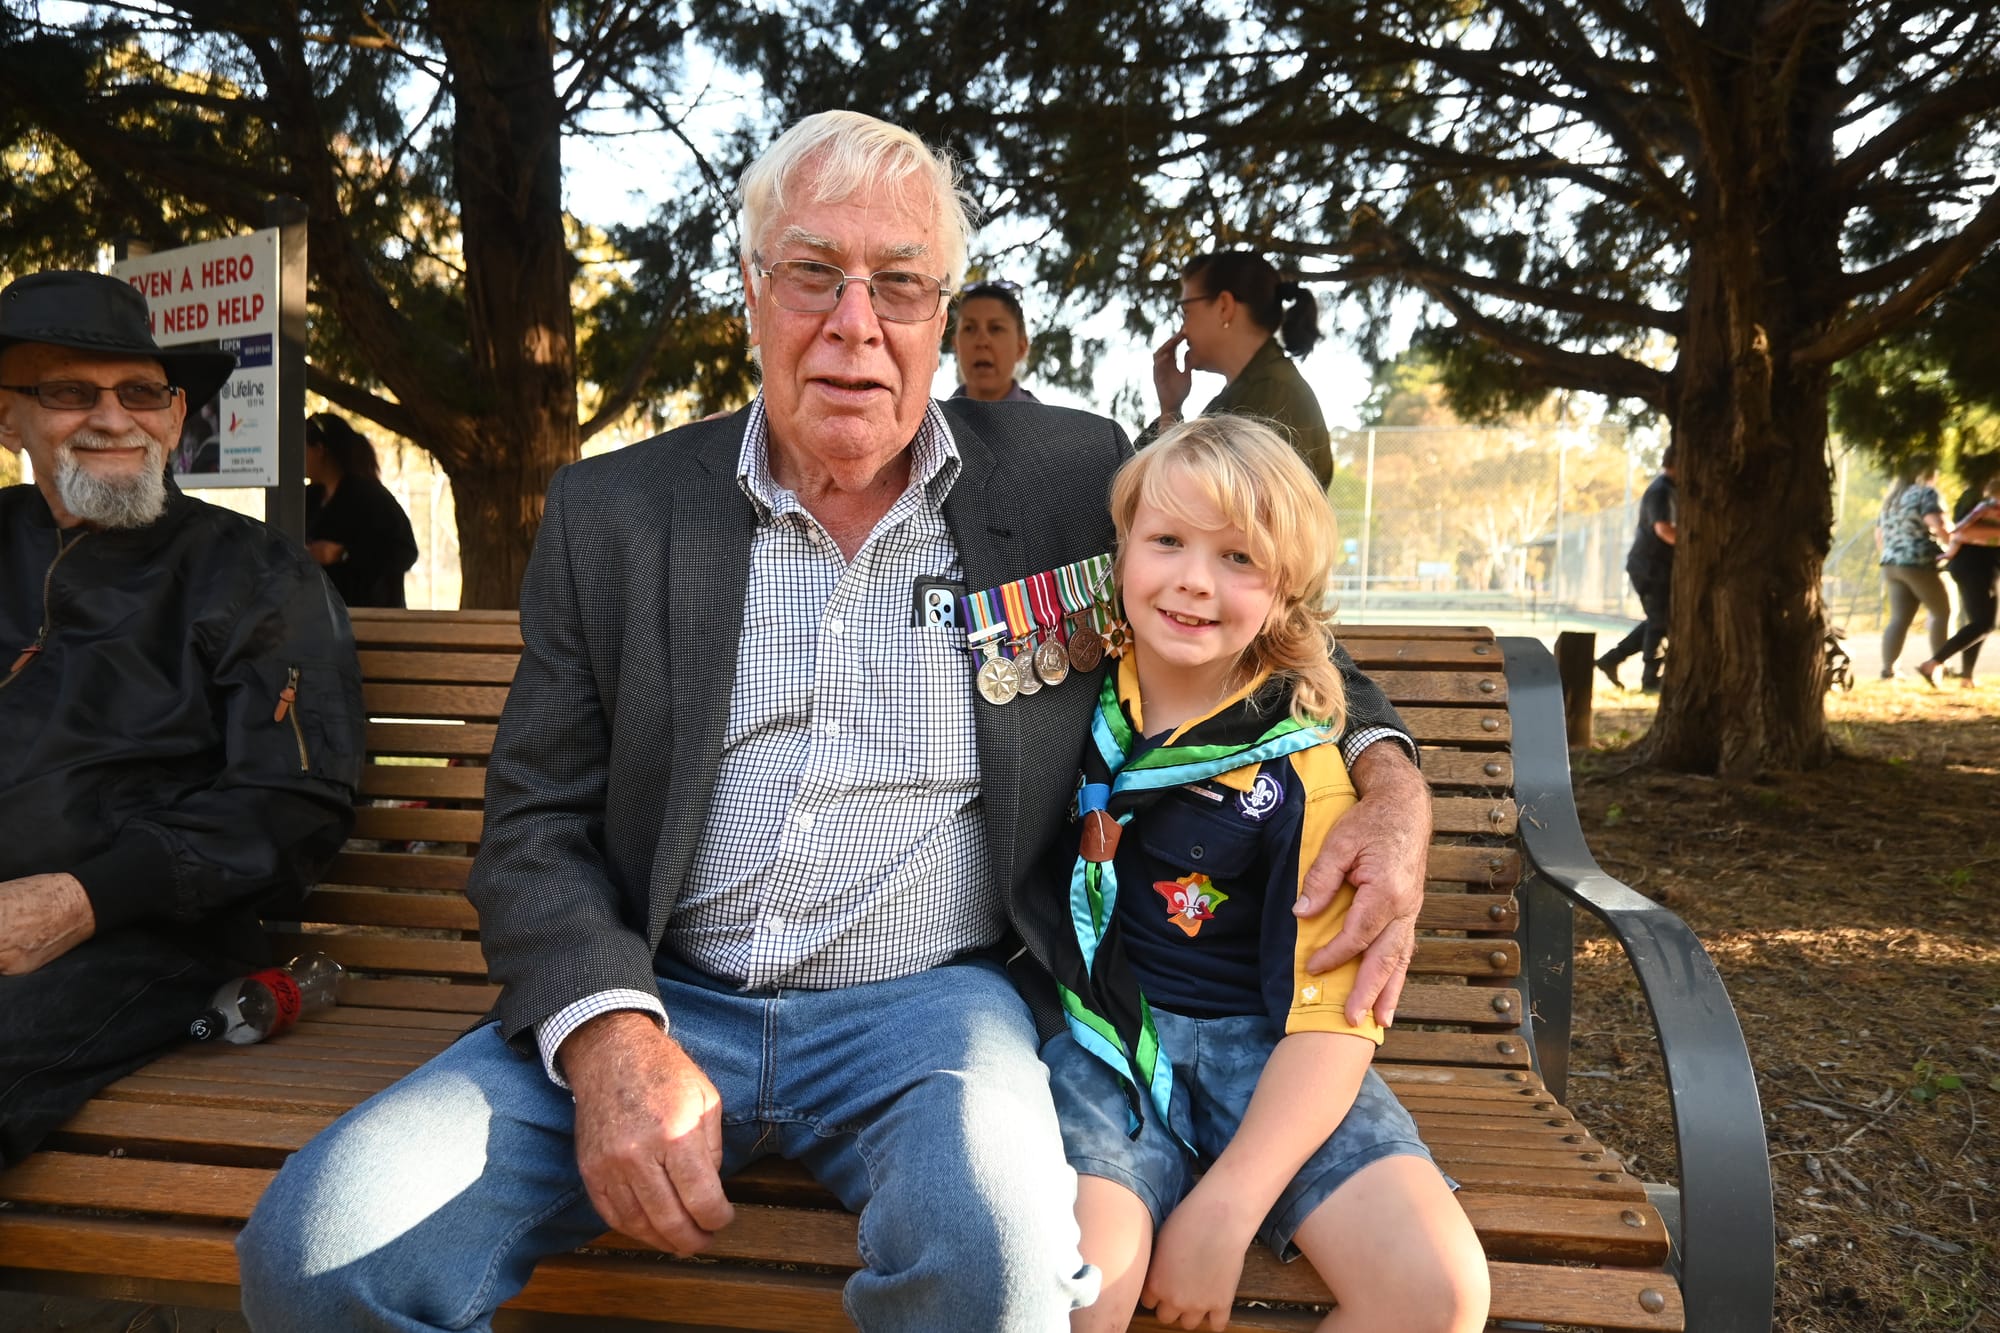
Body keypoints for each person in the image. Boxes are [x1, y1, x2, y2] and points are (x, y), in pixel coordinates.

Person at [237, 111, 1433, 1332]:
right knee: (320, 1251)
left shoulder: (1067, 478)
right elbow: (532, 820)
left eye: (901, 285)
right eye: (812, 272)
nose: (854, 324)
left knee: (1008, 1278)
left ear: (940, 309)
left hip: (931, 1012)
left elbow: (1272, 633)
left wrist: (1389, 789)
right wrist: (607, 1040)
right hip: (656, 988)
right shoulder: (617, 512)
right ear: (752, 288)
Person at [1037, 418, 1488, 1332]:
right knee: (1088, 1283)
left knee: (1436, 1288)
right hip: (1104, 1041)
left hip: (1270, 1057)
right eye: (1167, 541)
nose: (1195, 579)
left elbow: (1338, 1014)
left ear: (1286, 594)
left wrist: (1229, 1205)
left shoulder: (1309, 772)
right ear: (1120, 550)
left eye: (1239, 557)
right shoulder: (1056, 694)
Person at [0, 269, 362, 1166]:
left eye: (140, 392)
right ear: (9, 417)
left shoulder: (256, 575)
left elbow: (290, 801)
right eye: (69, 391)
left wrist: (80, 899)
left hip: (140, 932)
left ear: (174, 413)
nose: (111, 417)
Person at [1146, 251, 1333, 488]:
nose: (1183, 331)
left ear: (1225, 306)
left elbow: (1190, 502)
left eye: (1187, 312)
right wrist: (1170, 409)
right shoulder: (1253, 392)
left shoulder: (1273, 396)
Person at [304, 412, 420, 608]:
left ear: (319, 450)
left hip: (370, 619)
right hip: (323, 618)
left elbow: (404, 551)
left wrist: (342, 553)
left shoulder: (370, 497)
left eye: (302, 449)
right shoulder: (309, 497)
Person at [1596, 444, 1678, 693]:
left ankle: (1612, 659)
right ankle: (1650, 680)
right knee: (1659, 621)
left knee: (1659, 619)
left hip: (1659, 567)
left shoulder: (1675, 490)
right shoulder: (1660, 491)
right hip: (1649, 567)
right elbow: (1663, 529)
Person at [1916, 463, 2000, 688]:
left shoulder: (1985, 504)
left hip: (1978, 566)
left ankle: (1967, 676)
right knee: (1984, 623)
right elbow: (1961, 531)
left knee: (1980, 623)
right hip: (1973, 566)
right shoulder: (1985, 505)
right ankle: (1933, 663)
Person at [1875, 455, 1951, 680]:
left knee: (1899, 618)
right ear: (1926, 473)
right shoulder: (1925, 493)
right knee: (1942, 612)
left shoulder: (1891, 499)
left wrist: (1891, 554)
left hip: (1891, 564)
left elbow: (1879, 535)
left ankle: (1889, 670)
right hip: (1918, 562)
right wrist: (1951, 544)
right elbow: (1936, 522)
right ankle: (1937, 665)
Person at [952, 280, 1039, 402]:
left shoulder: (1044, 420)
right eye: (969, 328)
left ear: (1021, 347)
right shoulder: (931, 418)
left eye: (996, 328)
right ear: (956, 344)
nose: (982, 342)